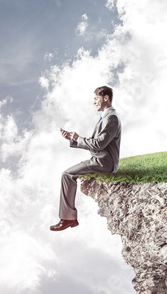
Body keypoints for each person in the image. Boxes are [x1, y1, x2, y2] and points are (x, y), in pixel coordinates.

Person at [50, 86, 122, 231]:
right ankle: (69, 218)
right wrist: (74, 139)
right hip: (100, 159)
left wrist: (79, 138)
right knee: (67, 174)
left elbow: (99, 144)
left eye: (96, 98)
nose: (94, 102)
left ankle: (68, 219)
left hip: (104, 163)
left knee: (67, 174)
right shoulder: (106, 117)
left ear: (105, 98)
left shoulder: (111, 118)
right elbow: (96, 143)